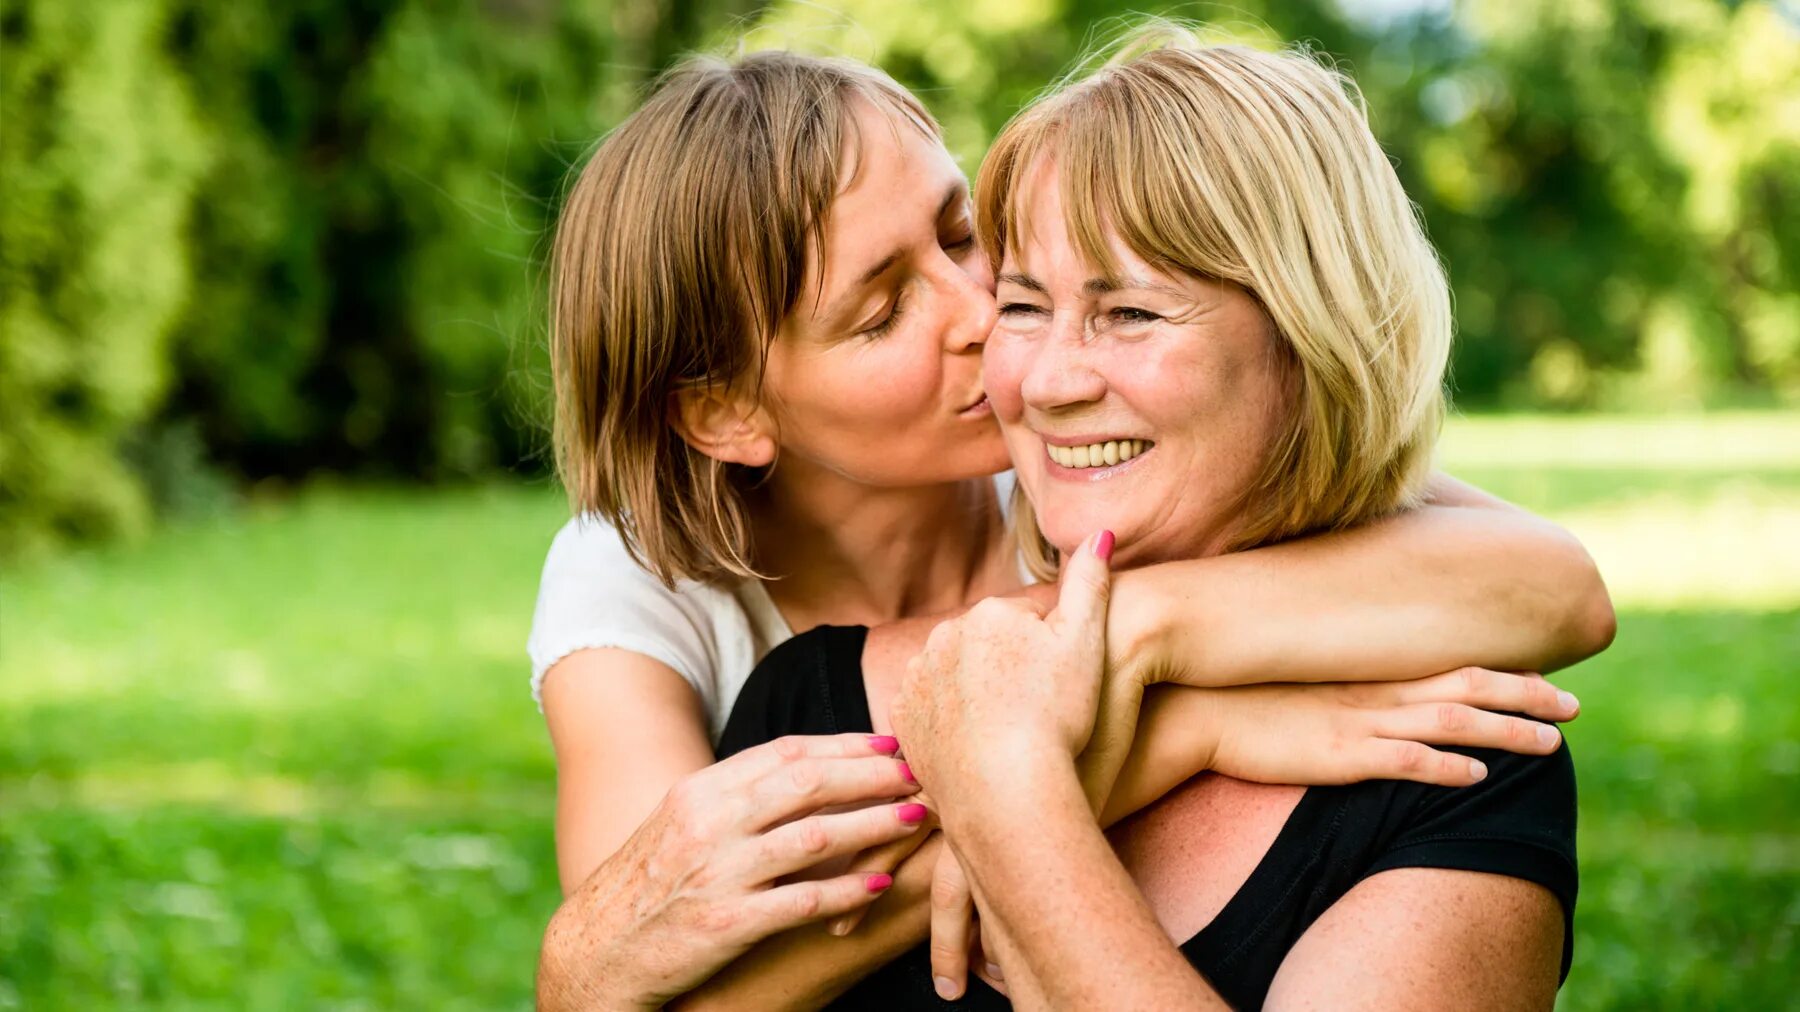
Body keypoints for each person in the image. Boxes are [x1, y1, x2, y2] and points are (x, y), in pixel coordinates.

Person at [531, 46, 1612, 1011]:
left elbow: (1556, 584)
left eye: (967, 237)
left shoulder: (1063, 489)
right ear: (726, 410)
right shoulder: (639, 583)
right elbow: (643, 940)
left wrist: (1129, 632)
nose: (986, 326)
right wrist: (1166, 734)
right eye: (879, 312)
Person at [866, 32, 1578, 1008]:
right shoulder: (821, 687)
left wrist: (1012, 804)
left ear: (1310, 342)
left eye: (1133, 314)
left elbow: (1566, 582)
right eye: (1025, 306)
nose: (1048, 382)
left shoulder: (1449, 747)